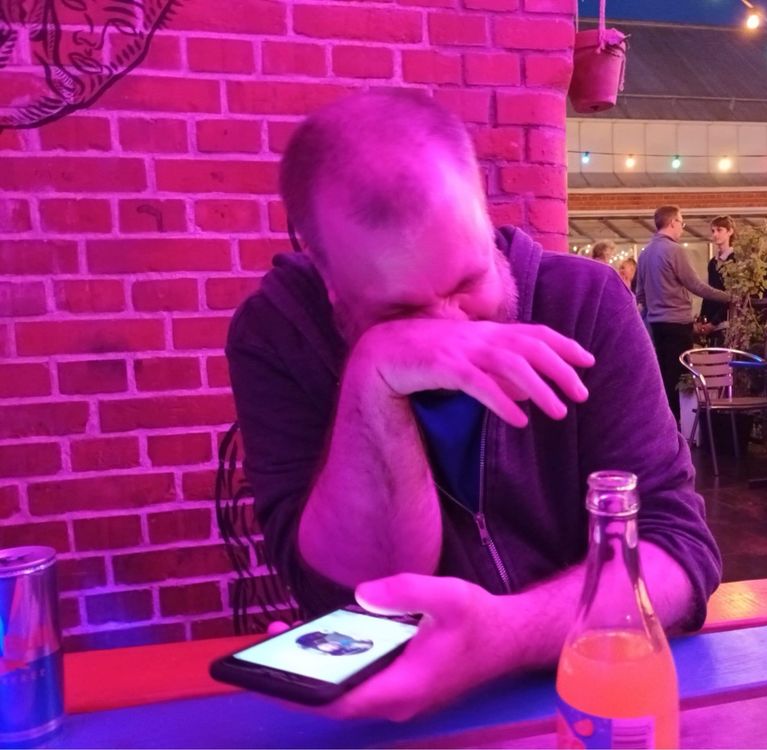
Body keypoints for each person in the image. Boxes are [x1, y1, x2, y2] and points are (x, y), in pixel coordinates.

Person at [226, 90, 721, 721]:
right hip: (394, 721)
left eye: (468, 282)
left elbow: (678, 552)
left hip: (588, 687)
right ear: (331, 285)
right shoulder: (277, 336)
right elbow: (347, 594)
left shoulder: (585, 303)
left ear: (485, 219)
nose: (450, 332)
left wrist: (503, 634)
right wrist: (373, 377)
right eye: (400, 311)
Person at [635, 205, 732, 421]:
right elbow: (695, 285)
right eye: (681, 222)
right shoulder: (674, 250)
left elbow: (640, 295)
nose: (682, 228)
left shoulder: (645, 253)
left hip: (656, 325)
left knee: (664, 376)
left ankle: (665, 424)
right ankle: (679, 427)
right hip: (678, 323)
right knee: (680, 378)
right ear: (672, 223)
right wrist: (729, 297)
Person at [695, 215, 737, 345]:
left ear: (730, 231)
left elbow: (732, 295)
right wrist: (702, 318)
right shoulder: (713, 262)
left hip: (727, 321)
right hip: (712, 321)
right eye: (713, 231)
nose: (715, 234)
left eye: (719, 230)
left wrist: (714, 322)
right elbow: (709, 291)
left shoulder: (735, 260)